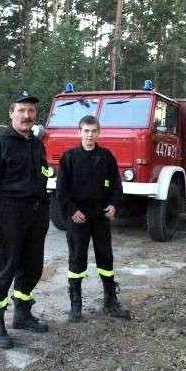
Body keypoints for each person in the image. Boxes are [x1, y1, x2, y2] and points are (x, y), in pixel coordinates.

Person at [0, 90, 51, 349]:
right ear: (11, 113)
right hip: (8, 213)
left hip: (35, 214)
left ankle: (22, 313)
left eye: (31, 111)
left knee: (32, 267)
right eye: (21, 110)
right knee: (3, 269)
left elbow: (43, 177)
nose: (27, 115)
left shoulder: (37, 144)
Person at [56, 115, 131, 322]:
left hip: (100, 216)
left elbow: (117, 185)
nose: (90, 135)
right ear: (79, 132)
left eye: (93, 131)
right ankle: (75, 304)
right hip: (78, 217)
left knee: (105, 257)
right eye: (86, 131)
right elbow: (61, 190)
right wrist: (72, 210)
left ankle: (110, 300)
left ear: (99, 132)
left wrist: (114, 204)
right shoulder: (69, 157)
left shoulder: (106, 156)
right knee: (77, 257)